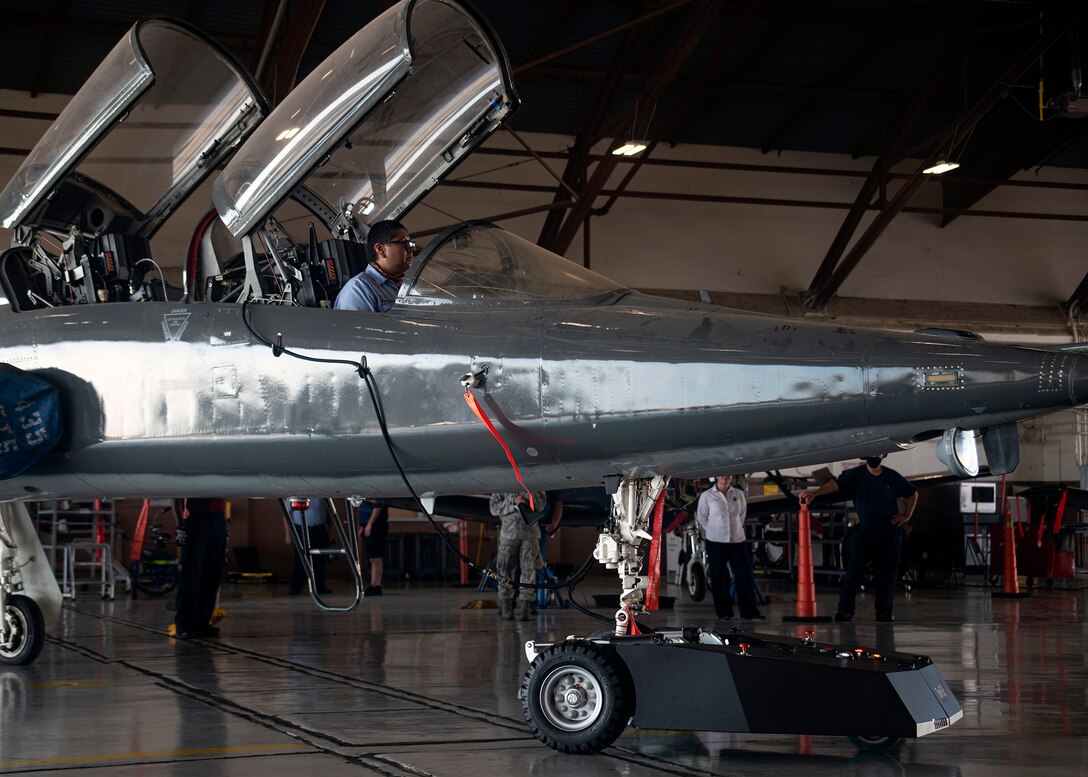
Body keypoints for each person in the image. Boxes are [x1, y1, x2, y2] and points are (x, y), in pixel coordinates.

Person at [806, 453, 917, 622]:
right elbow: (834, 485)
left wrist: (906, 516)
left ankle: (884, 611)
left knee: (887, 574)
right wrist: (815, 494)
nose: (875, 457)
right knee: (853, 573)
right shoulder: (856, 475)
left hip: (889, 531)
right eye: (872, 454)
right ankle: (845, 611)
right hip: (866, 530)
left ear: (883, 455)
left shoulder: (890, 476)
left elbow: (912, 493)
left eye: (878, 454)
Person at [695, 476, 763, 621]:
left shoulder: (738, 494)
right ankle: (724, 612)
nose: (725, 477)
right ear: (717, 477)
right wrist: (713, 530)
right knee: (719, 577)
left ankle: (749, 612)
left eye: (728, 474)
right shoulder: (707, 496)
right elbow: (701, 517)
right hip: (715, 541)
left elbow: (742, 515)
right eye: (722, 474)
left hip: (736, 540)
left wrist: (734, 529)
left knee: (743, 576)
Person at [333, 220, 417, 312]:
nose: (412, 248)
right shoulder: (359, 290)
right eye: (404, 243)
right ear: (380, 249)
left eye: (410, 243)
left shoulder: (402, 285)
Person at [173, 498, 228, 639]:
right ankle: (184, 625)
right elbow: (175, 494)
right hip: (197, 517)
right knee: (192, 573)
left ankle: (202, 623)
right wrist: (180, 525)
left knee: (213, 572)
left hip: (219, 516)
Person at [489, 490, 546, 621]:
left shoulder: (535, 484)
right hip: (509, 534)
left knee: (529, 570)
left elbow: (541, 505)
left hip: (530, 534)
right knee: (505, 569)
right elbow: (494, 508)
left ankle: (526, 605)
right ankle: (506, 604)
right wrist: (513, 501)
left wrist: (527, 499)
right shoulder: (502, 485)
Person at [284, 497, 333, 595]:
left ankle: (319, 587)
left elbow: (330, 514)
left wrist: (331, 533)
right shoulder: (294, 495)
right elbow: (286, 514)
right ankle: (296, 587)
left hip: (319, 528)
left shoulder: (322, 495)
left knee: (319, 559)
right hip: (301, 528)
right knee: (301, 559)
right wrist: (288, 534)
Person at [358, 500, 388, 596]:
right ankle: (374, 583)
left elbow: (377, 508)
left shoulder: (376, 494)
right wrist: (363, 526)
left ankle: (375, 584)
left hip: (376, 526)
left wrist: (369, 524)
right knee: (373, 558)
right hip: (368, 526)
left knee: (375, 557)